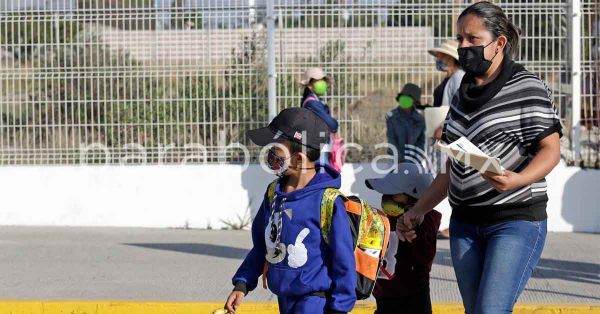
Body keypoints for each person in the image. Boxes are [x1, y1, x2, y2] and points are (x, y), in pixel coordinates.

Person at [398, 2, 562, 314]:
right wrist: (416, 212)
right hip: (466, 224)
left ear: (499, 43)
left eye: (472, 39)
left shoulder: (526, 86)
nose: (463, 46)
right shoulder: (461, 93)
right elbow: (451, 170)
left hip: (515, 220)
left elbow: (550, 149)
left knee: (490, 310)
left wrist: (517, 179)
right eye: (460, 39)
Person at [224, 108, 356, 314]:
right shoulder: (273, 194)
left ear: (299, 160)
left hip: (315, 303)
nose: (270, 153)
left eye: (276, 148)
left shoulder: (328, 202)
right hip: (284, 300)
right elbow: (262, 245)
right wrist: (242, 283)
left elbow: (344, 262)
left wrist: (340, 308)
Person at [365, 163, 441, 314]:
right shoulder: (388, 218)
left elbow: (425, 258)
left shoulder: (425, 219)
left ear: (414, 196)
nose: (385, 198)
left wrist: (415, 233)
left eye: (393, 195)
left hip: (412, 299)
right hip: (385, 295)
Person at [428, 40, 465, 238]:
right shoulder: (450, 79)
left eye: (441, 56)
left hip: (450, 138)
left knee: (453, 179)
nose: (438, 60)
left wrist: (444, 129)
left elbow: (459, 107)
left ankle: (456, 225)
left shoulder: (458, 78)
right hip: (444, 138)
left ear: (451, 58)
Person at [300, 68, 339, 166]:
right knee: (322, 176)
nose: (322, 83)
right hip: (318, 149)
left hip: (319, 147)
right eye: (318, 80)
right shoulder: (312, 103)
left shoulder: (315, 101)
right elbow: (332, 125)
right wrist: (334, 122)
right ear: (309, 84)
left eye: (323, 80)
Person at [386, 83, 426, 161]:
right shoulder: (392, 117)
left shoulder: (420, 119)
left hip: (414, 160)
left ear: (414, 101)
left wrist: (416, 158)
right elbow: (392, 140)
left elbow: (421, 142)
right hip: (395, 160)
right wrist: (400, 160)